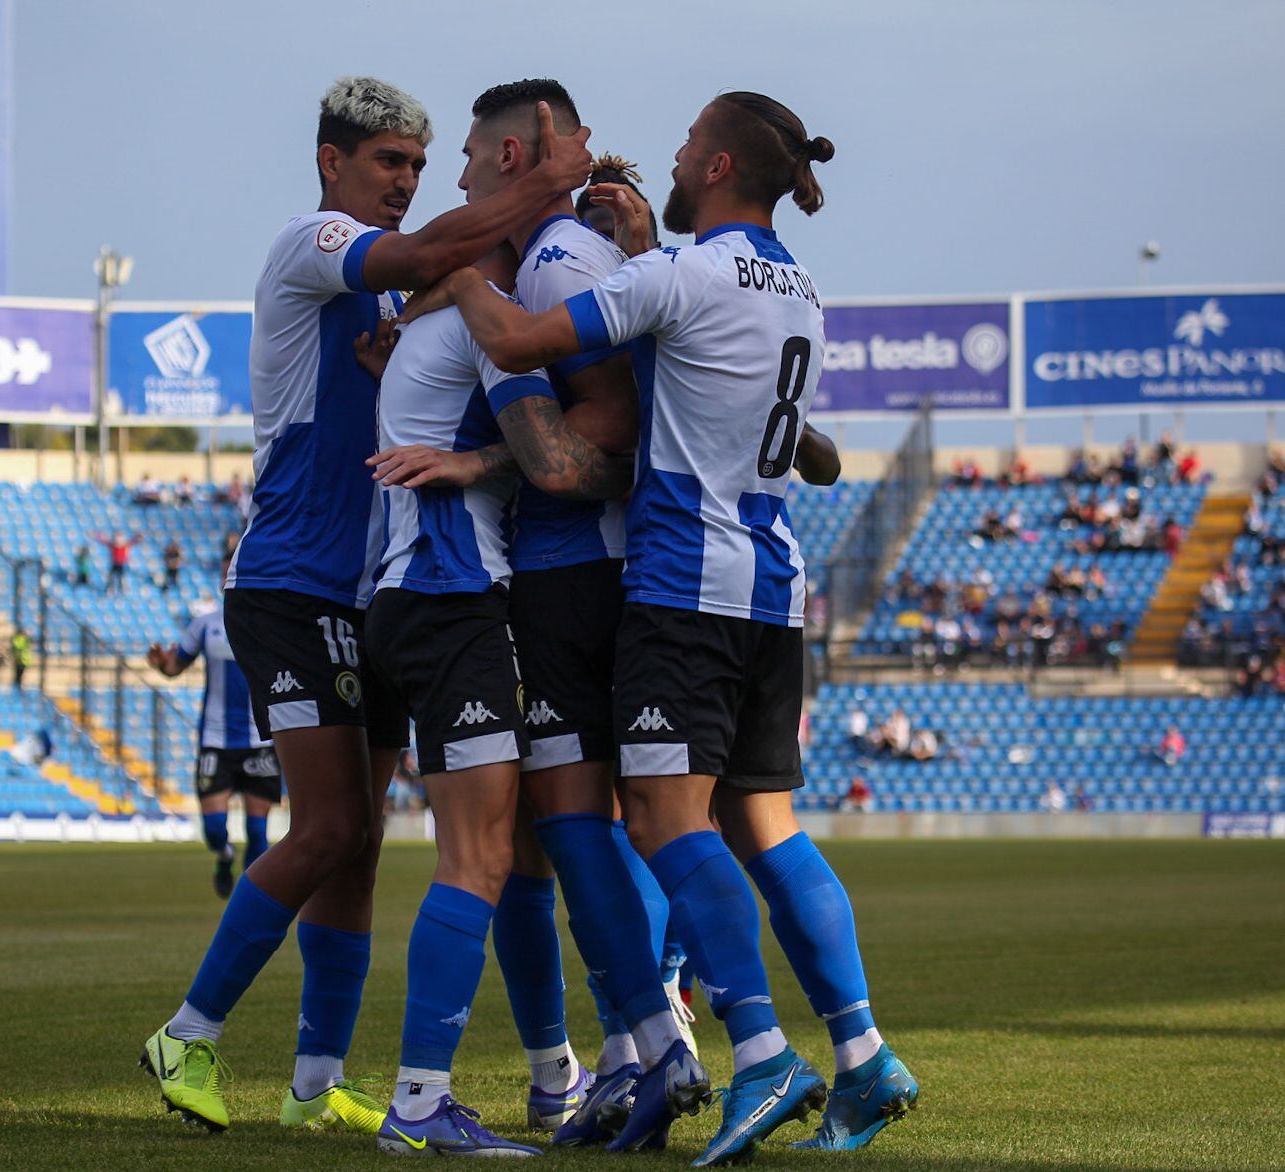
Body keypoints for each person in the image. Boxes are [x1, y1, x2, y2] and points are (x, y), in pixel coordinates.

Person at [420, 90, 916, 1158]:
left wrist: (452, 266)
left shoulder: (676, 274)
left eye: (690, 146)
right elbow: (802, 444)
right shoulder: (800, 288)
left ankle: (758, 1050)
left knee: (654, 818)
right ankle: (864, 1052)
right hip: (770, 592)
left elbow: (513, 338)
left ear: (724, 164)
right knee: (764, 830)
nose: (673, 165)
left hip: (683, 587)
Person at [138, 75, 594, 1145]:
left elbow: (432, 290)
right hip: (290, 583)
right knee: (333, 822)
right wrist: (545, 188)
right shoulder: (314, 243)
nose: (404, 184)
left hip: (370, 587)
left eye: (416, 169)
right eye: (387, 163)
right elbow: (420, 255)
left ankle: (314, 1079)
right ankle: (186, 1033)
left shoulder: (397, 298)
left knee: (357, 847)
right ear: (331, 162)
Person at [366, 226, 639, 1155]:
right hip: (453, 600)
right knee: (478, 859)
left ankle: (550, 1077)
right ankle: (416, 1103)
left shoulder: (424, 338)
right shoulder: (486, 334)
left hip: (426, 597)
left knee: (516, 851)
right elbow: (562, 463)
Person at [146, 584, 282, 898]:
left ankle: (250, 901)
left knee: (258, 832)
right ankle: (224, 856)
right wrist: (162, 663)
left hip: (259, 740)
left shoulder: (271, 618)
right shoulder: (206, 623)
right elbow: (174, 666)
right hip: (216, 740)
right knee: (214, 829)